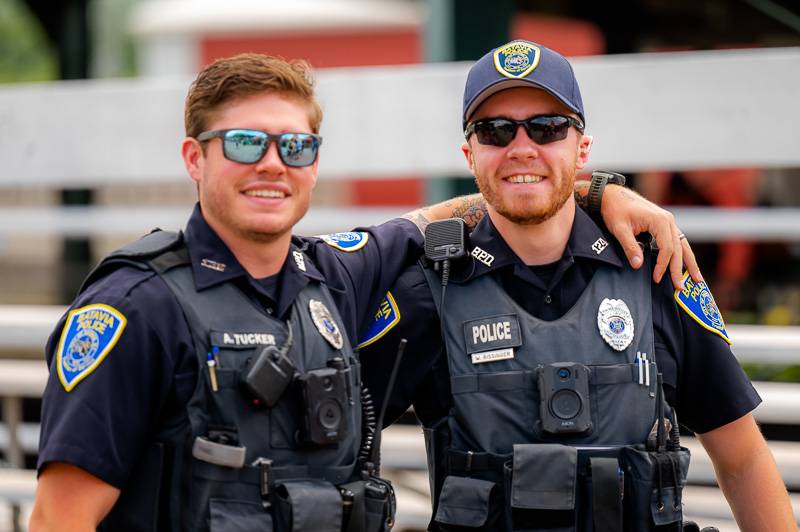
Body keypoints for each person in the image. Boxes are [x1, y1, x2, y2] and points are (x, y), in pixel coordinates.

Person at [29, 53, 695, 532]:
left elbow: (486, 199)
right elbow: (60, 519)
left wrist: (602, 191)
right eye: (243, 142)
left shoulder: (332, 280)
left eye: (294, 145)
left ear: (315, 163)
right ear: (194, 158)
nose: (271, 164)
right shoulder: (135, 307)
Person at [359, 40, 796, 531]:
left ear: (581, 147)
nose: (521, 147)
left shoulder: (655, 272)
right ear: (470, 153)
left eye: (547, 127)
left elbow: (742, 459)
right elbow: (333, 450)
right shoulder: (428, 290)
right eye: (495, 130)